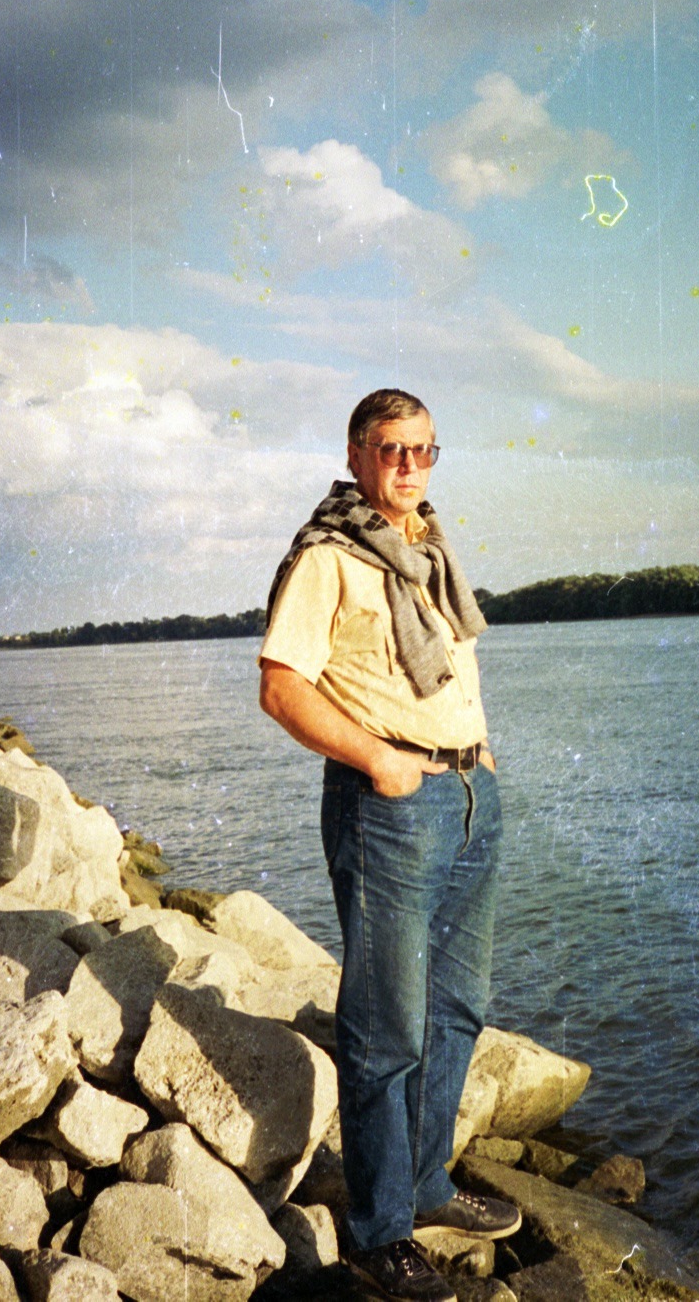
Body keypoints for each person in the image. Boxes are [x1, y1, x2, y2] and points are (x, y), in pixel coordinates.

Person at [258, 388, 520, 1302]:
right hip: (392, 807)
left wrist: (476, 759)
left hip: (466, 797)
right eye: (391, 451)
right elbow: (282, 687)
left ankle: (424, 1183)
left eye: (423, 451)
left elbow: (447, 671)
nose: (408, 468)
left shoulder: (428, 549)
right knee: (384, 1029)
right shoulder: (328, 556)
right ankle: (378, 1235)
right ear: (357, 453)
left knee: (456, 1009)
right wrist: (381, 759)